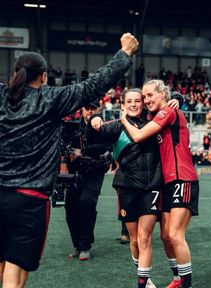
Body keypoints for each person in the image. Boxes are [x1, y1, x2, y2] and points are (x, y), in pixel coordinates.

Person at [0, 32, 139, 288]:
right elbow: (94, 85)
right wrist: (124, 54)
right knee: (15, 266)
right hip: (28, 198)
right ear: (43, 76)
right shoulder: (50, 99)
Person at [87, 88, 182, 288]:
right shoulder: (116, 127)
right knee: (134, 240)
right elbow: (94, 135)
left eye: (137, 100)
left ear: (142, 103)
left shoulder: (154, 120)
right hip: (127, 187)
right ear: (123, 105)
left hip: (151, 187)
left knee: (144, 237)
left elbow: (166, 99)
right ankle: (146, 280)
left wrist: (177, 98)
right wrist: (93, 120)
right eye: (129, 101)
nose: (133, 104)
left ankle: (142, 283)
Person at [121, 80, 199, 288]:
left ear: (163, 94)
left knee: (174, 234)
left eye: (149, 95)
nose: (145, 100)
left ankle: (186, 284)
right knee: (165, 236)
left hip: (182, 178)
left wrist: (122, 119)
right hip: (166, 182)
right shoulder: (156, 115)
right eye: (143, 97)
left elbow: (137, 135)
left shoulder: (168, 112)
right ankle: (176, 279)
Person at [65, 100, 112, 261]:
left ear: (99, 109)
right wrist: (71, 151)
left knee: (87, 203)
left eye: (93, 108)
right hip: (75, 172)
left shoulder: (103, 127)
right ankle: (78, 245)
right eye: (87, 108)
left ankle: (85, 246)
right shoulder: (72, 127)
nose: (90, 111)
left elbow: (106, 147)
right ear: (82, 110)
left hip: (94, 172)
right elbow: (65, 146)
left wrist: (82, 151)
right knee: (70, 208)